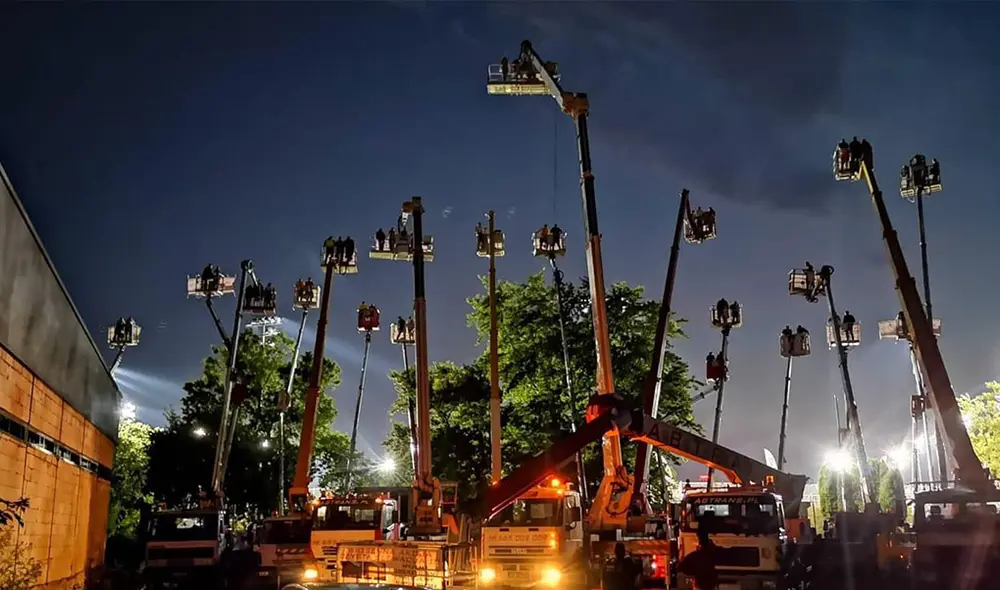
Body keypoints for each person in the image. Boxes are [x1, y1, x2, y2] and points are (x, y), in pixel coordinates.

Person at [678, 514, 720, 590]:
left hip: (702, 583)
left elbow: (682, 566)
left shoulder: (696, 556)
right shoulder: (714, 555)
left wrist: (693, 571)